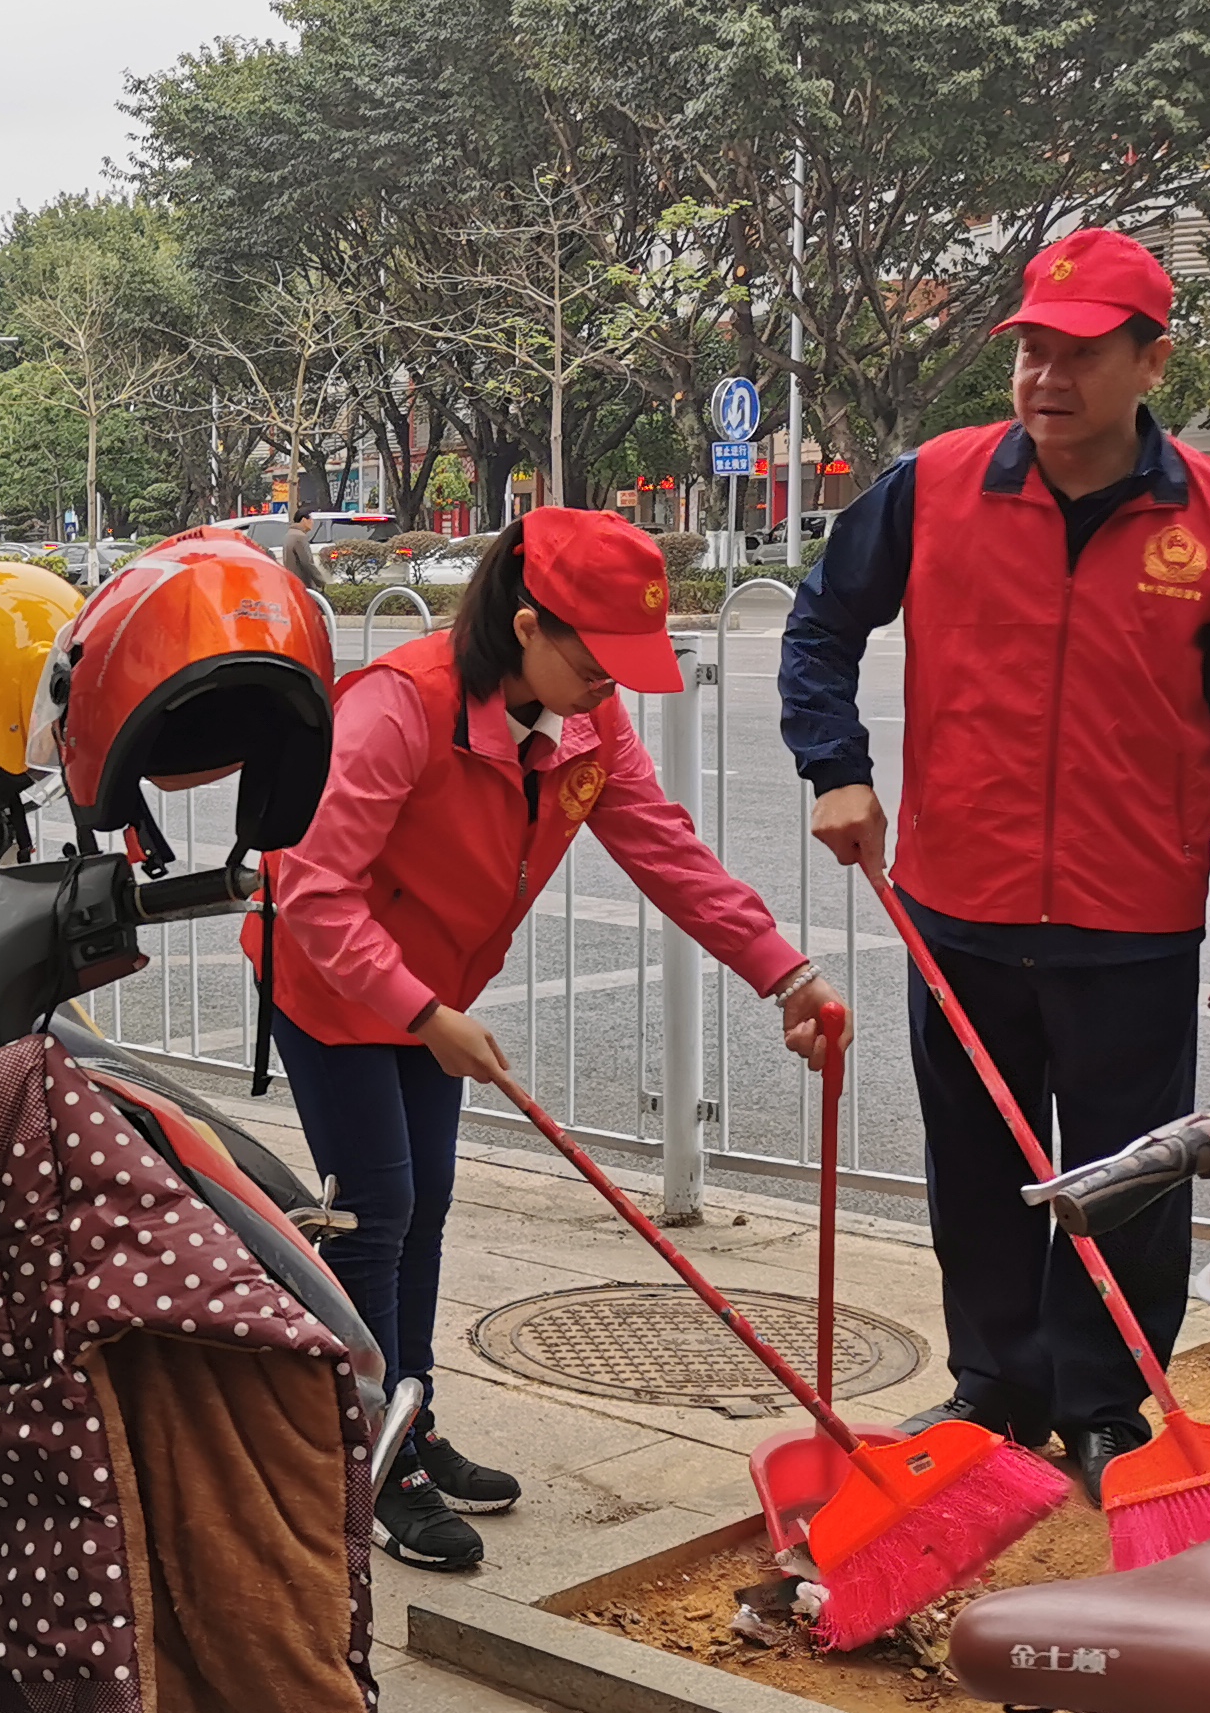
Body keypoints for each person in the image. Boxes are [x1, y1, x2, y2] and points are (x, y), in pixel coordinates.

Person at [779, 224, 1210, 1506]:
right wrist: (834, 765)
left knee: (1126, 1179)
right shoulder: (938, 485)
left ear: (1149, 358)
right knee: (978, 1164)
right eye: (1029, 353)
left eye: (1077, 354)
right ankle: (999, 1383)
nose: (1044, 379)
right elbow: (821, 621)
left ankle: (1107, 1401)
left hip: (1132, 912)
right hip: (959, 898)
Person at [260, 508, 845, 1571]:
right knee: (375, 1207)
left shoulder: (586, 721)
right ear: (526, 625)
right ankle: (361, 1456)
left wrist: (784, 970)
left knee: (425, 1202)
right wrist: (426, 1016)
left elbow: (666, 851)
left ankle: (411, 1416)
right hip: (334, 982)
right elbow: (312, 891)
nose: (612, 686)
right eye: (597, 659)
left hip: (431, 992)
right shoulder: (402, 707)